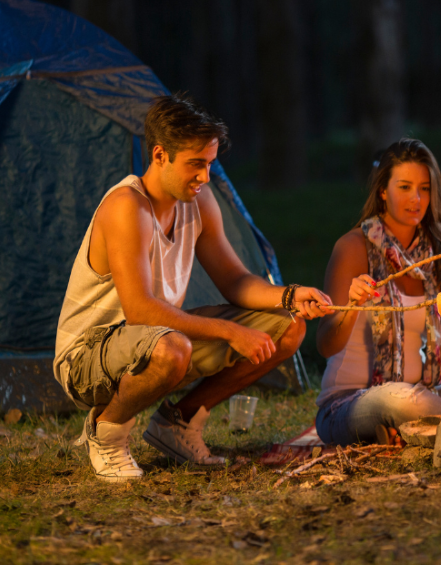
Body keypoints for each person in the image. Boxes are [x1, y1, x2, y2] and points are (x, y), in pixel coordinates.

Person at [54, 93, 334, 483]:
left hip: (156, 340)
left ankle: (178, 425)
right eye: (195, 165)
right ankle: (107, 431)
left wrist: (290, 295)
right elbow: (140, 311)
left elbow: (235, 281)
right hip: (87, 357)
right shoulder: (127, 207)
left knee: (288, 327)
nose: (205, 177)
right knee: (173, 347)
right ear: (159, 156)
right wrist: (231, 331)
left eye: (210, 164)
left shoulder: (198, 204)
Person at [314, 139, 441, 445]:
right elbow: (326, 344)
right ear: (383, 191)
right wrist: (352, 305)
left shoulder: (439, 251)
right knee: (401, 400)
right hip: (349, 405)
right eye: (404, 187)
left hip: (425, 393)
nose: (416, 199)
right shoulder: (353, 248)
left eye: (424, 188)